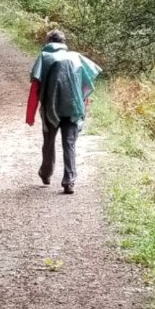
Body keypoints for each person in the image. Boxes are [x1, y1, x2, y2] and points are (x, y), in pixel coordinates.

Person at [25, 27, 101, 193]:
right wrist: (83, 109)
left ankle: (46, 172)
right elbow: (84, 87)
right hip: (73, 107)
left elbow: (35, 88)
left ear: (48, 42)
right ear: (63, 43)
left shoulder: (44, 57)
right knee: (69, 143)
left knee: (49, 142)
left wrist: (30, 116)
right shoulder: (77, 58)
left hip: (50, 107)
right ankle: (69, 180)